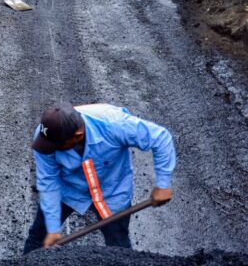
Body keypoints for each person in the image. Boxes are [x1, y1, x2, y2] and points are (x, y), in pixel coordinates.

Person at [23, 102, 176, 253]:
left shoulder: (114, 124)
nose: (51, 149)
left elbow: (160, 138)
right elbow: (49, 181)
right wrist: (52, 229)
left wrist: (163, 184)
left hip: (111, 190)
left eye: (57, 146)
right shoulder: (46, 137)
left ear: (78, 135)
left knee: (118, 244)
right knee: (39, 238)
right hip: (68, 188)